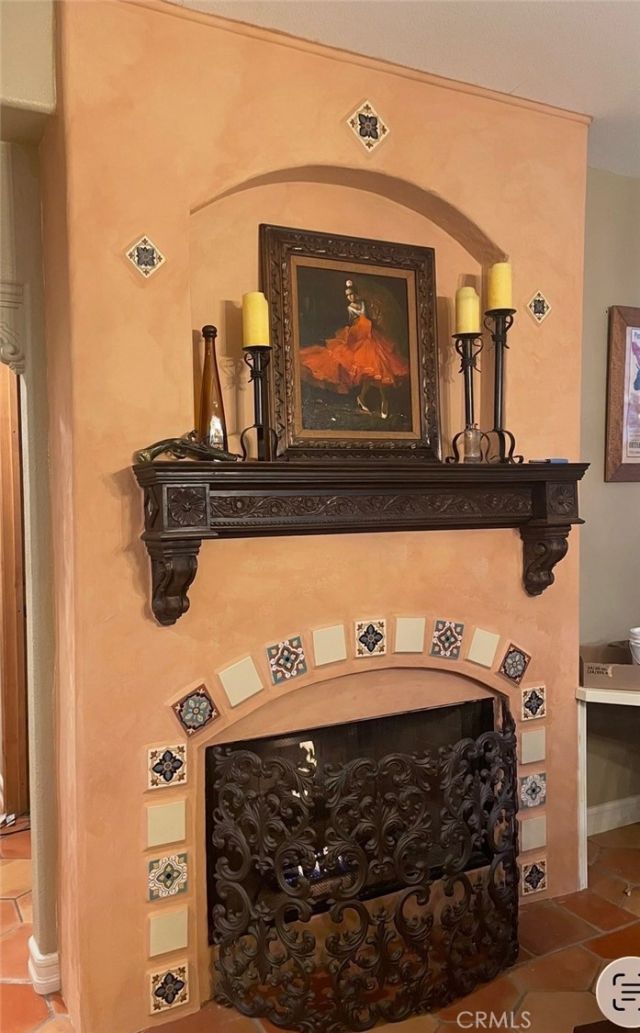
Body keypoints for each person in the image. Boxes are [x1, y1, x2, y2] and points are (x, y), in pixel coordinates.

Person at [300, 279, 409, 419]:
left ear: (355, 294)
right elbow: (352, 322)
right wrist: (353, 333)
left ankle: (375, 400)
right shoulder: (350, 308)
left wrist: (368, 325)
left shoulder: (362, 303)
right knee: (369, 368)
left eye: (351, 294)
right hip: (359, 334)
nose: (350, 297)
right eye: (347, 295)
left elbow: (366, 317)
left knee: (378, 367)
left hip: (370, 332)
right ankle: (369, 399)